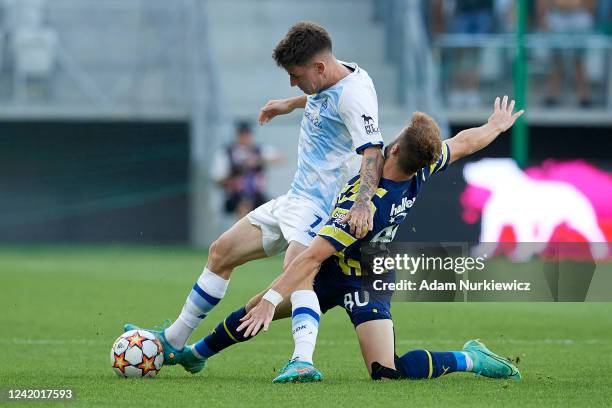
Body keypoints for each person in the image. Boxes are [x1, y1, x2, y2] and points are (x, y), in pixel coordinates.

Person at [177, 96, 523, 383]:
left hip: (364, 277)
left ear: (397, 146)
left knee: (386, 372)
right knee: (256, 309)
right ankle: (193, 355)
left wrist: (270, 297)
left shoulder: (362, 208)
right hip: (345, 267)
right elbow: (462, 143)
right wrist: (495, 125)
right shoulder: (422, 167)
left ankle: (471, 358)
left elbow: (310, 258)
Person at [124, 21, 385, 380]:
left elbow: (373, 151)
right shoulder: (334, 74)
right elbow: (320, 98)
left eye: (295, 75)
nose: (293, 82)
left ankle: (303, 361)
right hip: (295, 198)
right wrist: (289, 104)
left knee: (300, 272)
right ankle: (173, 340)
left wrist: (361, 203)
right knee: (221, 252)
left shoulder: (355, 96)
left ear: (319, 67)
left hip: (322, 205)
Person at [211, 120, 281, 220]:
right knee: (243, 209)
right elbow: (217, 179)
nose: (245, 137)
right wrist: (235, 177)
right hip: (236, 196)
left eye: (247, 134)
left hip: (257, 195)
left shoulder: (259, 150)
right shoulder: (226, 153)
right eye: (242, 134)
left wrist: (258, 160)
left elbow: (278, 158)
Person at [537, 0, 596, 106]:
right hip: (556, 16)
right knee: (556, 58)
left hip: (580, 16)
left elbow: (590, 4)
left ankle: (584, 95)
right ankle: (552, 94)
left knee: (579, 58)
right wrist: (543, 16)